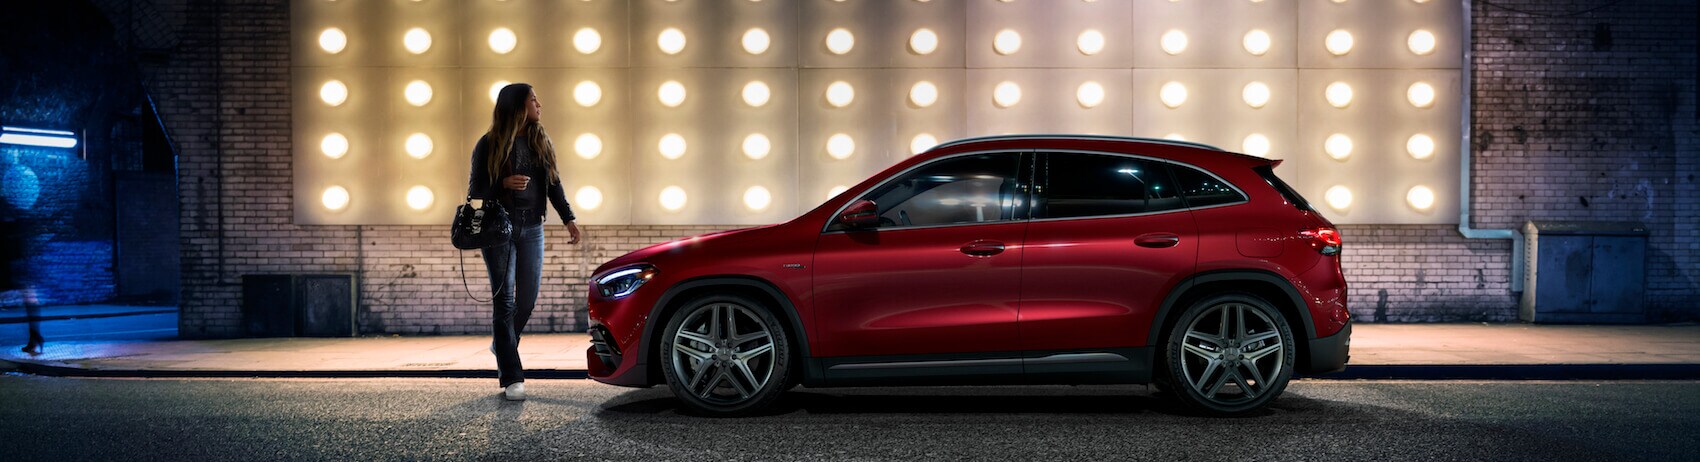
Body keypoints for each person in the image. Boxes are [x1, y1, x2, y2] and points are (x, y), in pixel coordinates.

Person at [467, 83, 582, 401]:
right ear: (518, 106)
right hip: (498, 231)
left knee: (527, 299)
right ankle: (511, 376)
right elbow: (475, 193)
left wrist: (568, 218)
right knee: (504, 302)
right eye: (533, 100)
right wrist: (501, 183)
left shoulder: (540, 141)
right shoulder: (488, 144)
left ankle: (502, 343)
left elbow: (554, 185)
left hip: (533, 228)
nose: (539, 104)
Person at [1, 215, 43, 355]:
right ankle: (35, 337)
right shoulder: (16, 235)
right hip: (18, 271)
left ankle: (35, 338)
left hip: (11, 271)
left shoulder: (8, 235)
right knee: (31, 302)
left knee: (31, 302)